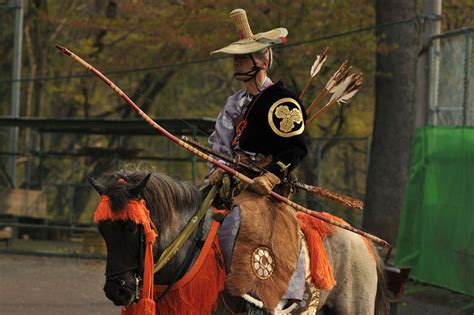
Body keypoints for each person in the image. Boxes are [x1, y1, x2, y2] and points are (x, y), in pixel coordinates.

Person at [208, 8, 307, 196]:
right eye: (236, 58)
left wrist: (271, 176)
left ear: (263, 62)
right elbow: (221, 144)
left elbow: (296, 148)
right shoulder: (234, 102)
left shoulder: (283, 101)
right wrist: (220, 168)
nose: (236, 62)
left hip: (269, 186)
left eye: (243, 57)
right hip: (232, 182)